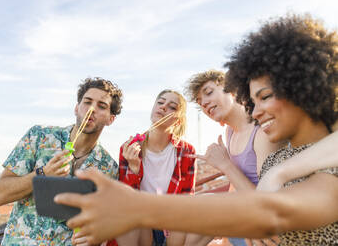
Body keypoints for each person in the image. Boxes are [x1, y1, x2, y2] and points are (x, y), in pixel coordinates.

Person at [55, 14, 338, 246]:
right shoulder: (283, 158)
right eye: (252, 100)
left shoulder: (326, 169)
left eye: (264, 97)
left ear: (300, 88)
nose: (256, 110)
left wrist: (135, 208)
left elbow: (271, 213)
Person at [0, 77, 123, 245]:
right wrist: (43, 174)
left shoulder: (109, 168)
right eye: (87, 102)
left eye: (102, 106)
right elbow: (0, 195)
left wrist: (94, 238)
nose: (91, 109)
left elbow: (100, 224)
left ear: (110, 119)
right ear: (77, 108)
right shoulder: (39, 136)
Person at [184, 70, 281, 245]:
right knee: (190, 212)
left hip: (267, 230)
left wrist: (225, 165)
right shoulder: (230, 132)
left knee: (208, 205)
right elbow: (234, 190)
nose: (204, 103)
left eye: (209, 92)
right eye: (200, 102)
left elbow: (267, 206)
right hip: (244, 220)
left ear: (232, 90)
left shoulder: (260, 132)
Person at [115, 89, 196, 246]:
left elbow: (187, 197)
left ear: (178, 121)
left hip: (174, 224)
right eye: (160, 102)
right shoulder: (129, 148)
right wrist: (134, 168)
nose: (163, 107)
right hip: (142, 224)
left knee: (203, 210)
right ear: (153, 108)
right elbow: (126, 199)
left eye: (172, 107)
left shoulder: (186, 151)